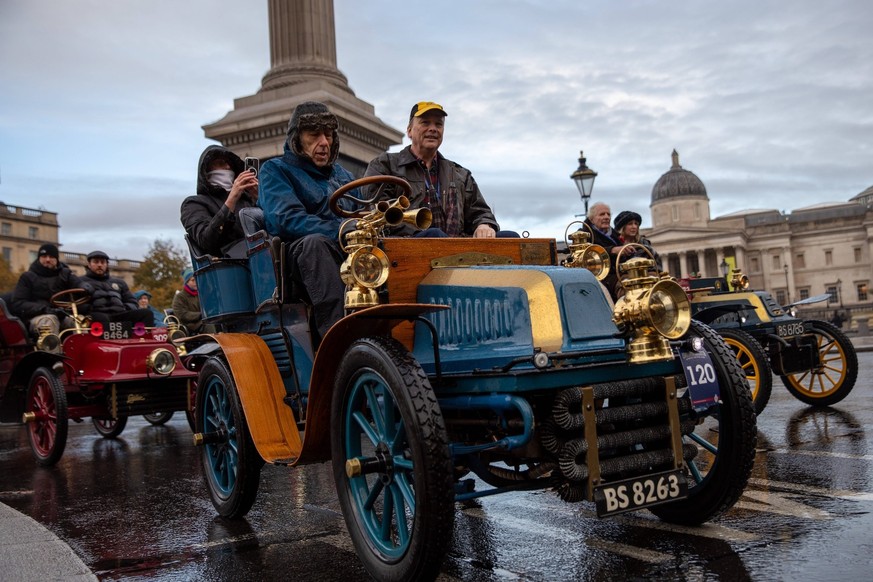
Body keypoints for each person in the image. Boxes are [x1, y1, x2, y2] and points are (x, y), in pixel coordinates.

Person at [258, 101, 359, 341]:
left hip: (349, 251)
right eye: (314, 135)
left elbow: (361, 214)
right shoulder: (274, 170)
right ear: (297, 139)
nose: (324, 142)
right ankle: (339, 341)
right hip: (299, 262)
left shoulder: (346, 176)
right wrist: (342, 229)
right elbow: (285, 219)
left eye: (329, 135)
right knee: (315, 244)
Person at [364, 101, 511, 238]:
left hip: (455, 248)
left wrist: (484, 224)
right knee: (434, 234)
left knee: (510, 238)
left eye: (438, 124)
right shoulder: (385, 165)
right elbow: (378, 215)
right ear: (409, 131)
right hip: (407, 247)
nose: (433, 128)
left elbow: (481, 212)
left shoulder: (461, 175)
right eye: (425, 123)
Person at [180, 145, 259, 258]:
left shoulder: (247, 200)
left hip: (262, 255)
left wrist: (259, 198)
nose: (227, 167)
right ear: (206, 169)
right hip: (231, 266)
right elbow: (207, 240)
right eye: (221, 163)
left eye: (229, 164)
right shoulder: (193, 204)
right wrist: (232, 199)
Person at [11, 243, 80, 336]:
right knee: (50, 320)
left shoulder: (66, 274)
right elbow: (18, 303)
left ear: (56, 259)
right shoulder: (27, 277)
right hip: (37, 318)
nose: (48, 259)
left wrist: (87, 287)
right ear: (39, 258)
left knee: (80, 321)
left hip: (62, 316)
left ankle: (83, 349)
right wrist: (45, 309)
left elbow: (79, 284)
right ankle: (52, 350)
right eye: (44, 256)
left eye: (51, 257)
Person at [80, 250, 154, 327]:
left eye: (102, 262)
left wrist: (124, 308)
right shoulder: (80, 282)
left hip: (119, 314)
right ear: (89, 264)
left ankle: (142, 338)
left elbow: (132, 301)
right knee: (99, 317)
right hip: (97, 315)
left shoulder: (119, 282)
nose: (99, 265)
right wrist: (91, 309)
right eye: (96, 262)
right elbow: (76, 304)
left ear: (107, 264)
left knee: (146, 313)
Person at [583, 202, 624, 300]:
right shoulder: (585, 235)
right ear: (592, 219)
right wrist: (612, 250)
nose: (606, 217)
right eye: (602, 214)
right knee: (626, 286)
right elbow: (587, 254)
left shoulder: (615, 235)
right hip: (601, 278)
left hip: (619, 273)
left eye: (608, 214)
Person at [172, 268, 211, 334]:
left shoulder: (201, 294)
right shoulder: (180, 297)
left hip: (203, 320)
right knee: (210, 325)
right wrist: (201, 315)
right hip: (190, 325)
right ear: (187, 282)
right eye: (193, 280)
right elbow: (182, 314)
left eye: (197, 279)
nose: (196, 282)